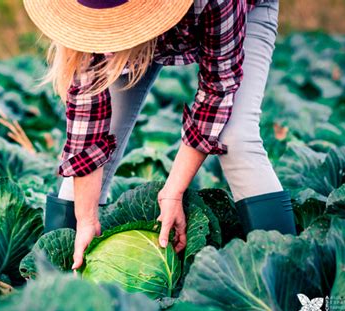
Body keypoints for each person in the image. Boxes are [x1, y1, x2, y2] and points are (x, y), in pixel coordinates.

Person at [23, 0, 297, 270]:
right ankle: (56, 277)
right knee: (91, 161)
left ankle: (289, 279)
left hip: (241, 12)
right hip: (136, 29)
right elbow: (87, 122)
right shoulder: (87, 15)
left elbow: (218, 90)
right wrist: (85, 219)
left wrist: (173, 193)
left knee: (236, 137)